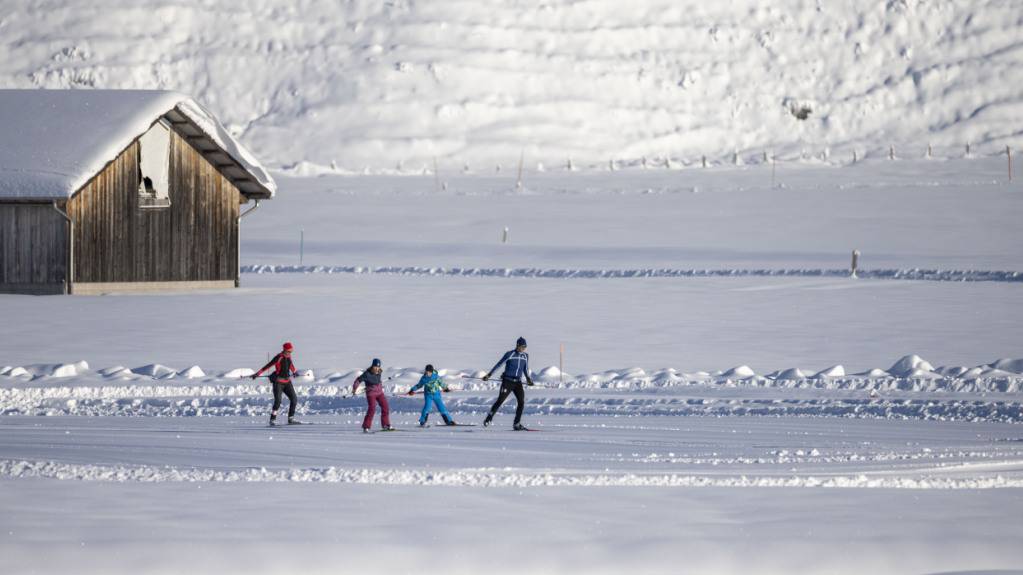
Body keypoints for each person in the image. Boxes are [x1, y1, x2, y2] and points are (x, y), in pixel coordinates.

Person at [482, 337, 534, 430]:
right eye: (522, 346)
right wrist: (489, 375)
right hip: (507, 381)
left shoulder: (525, 356)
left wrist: (528, 379)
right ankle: (489, 417)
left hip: (517, 382)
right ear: (517, 345)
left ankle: (517, 424)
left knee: (521, 402)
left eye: (524, 347)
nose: (523, 349)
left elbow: (525, 369)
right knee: (500, 401)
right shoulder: (510, 354)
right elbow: (499, 364)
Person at [251, 342, 301, 426]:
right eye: (289, 351)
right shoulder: (279, 357)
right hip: (278, 383)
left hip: (287, 382)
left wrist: (295, 372)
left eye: (291, 351)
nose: (290, 353)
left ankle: (291, 419)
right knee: (278, 402)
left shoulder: (289, 357)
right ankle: (272, 419)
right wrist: (257, 373)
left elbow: (291, 365)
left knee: (294, 399)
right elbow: (267, 366)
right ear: (285, 350)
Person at [353, 358, 392, 432]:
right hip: (371, 394)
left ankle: (385, 425)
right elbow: (358, 380)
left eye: (378, 367)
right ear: (372, 366)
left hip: (380, 393)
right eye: (375, 367)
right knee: (372, 409)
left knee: (385, 407)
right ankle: (366, 426)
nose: (377, 369)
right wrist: (354, 389)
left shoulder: (379, 372)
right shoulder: (367, 374)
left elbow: (377, 380)